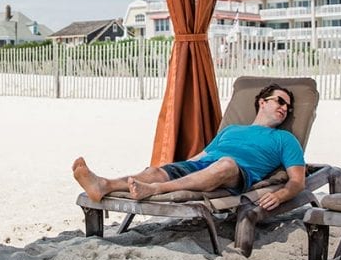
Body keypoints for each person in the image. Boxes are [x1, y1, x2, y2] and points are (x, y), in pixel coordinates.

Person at [72, 84, 306, 212]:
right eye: (281, 101)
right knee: (155, 170)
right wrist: (177, 167)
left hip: (236, 173)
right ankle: (103, 185)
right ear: (262, 102)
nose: (286, 108)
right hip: (206, 166)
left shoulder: (285, 139)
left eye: (289, 107)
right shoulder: (231, 129)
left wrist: (280, 195)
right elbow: (202, 156)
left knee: (225, 163)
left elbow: (297, 181)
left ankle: (155, 189)